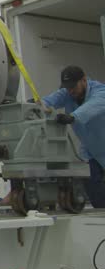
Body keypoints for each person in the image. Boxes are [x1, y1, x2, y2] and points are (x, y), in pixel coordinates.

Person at [41, 65, 105, 208]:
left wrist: (72, 117)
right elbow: (48, 101)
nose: (70, 91)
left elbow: (93, 106)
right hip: (91, 152)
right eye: (67, 87)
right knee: (95, 193)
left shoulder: (100, 91)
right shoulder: (67, 93)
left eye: (73, 86)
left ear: (84, 80)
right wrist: (37, 105)